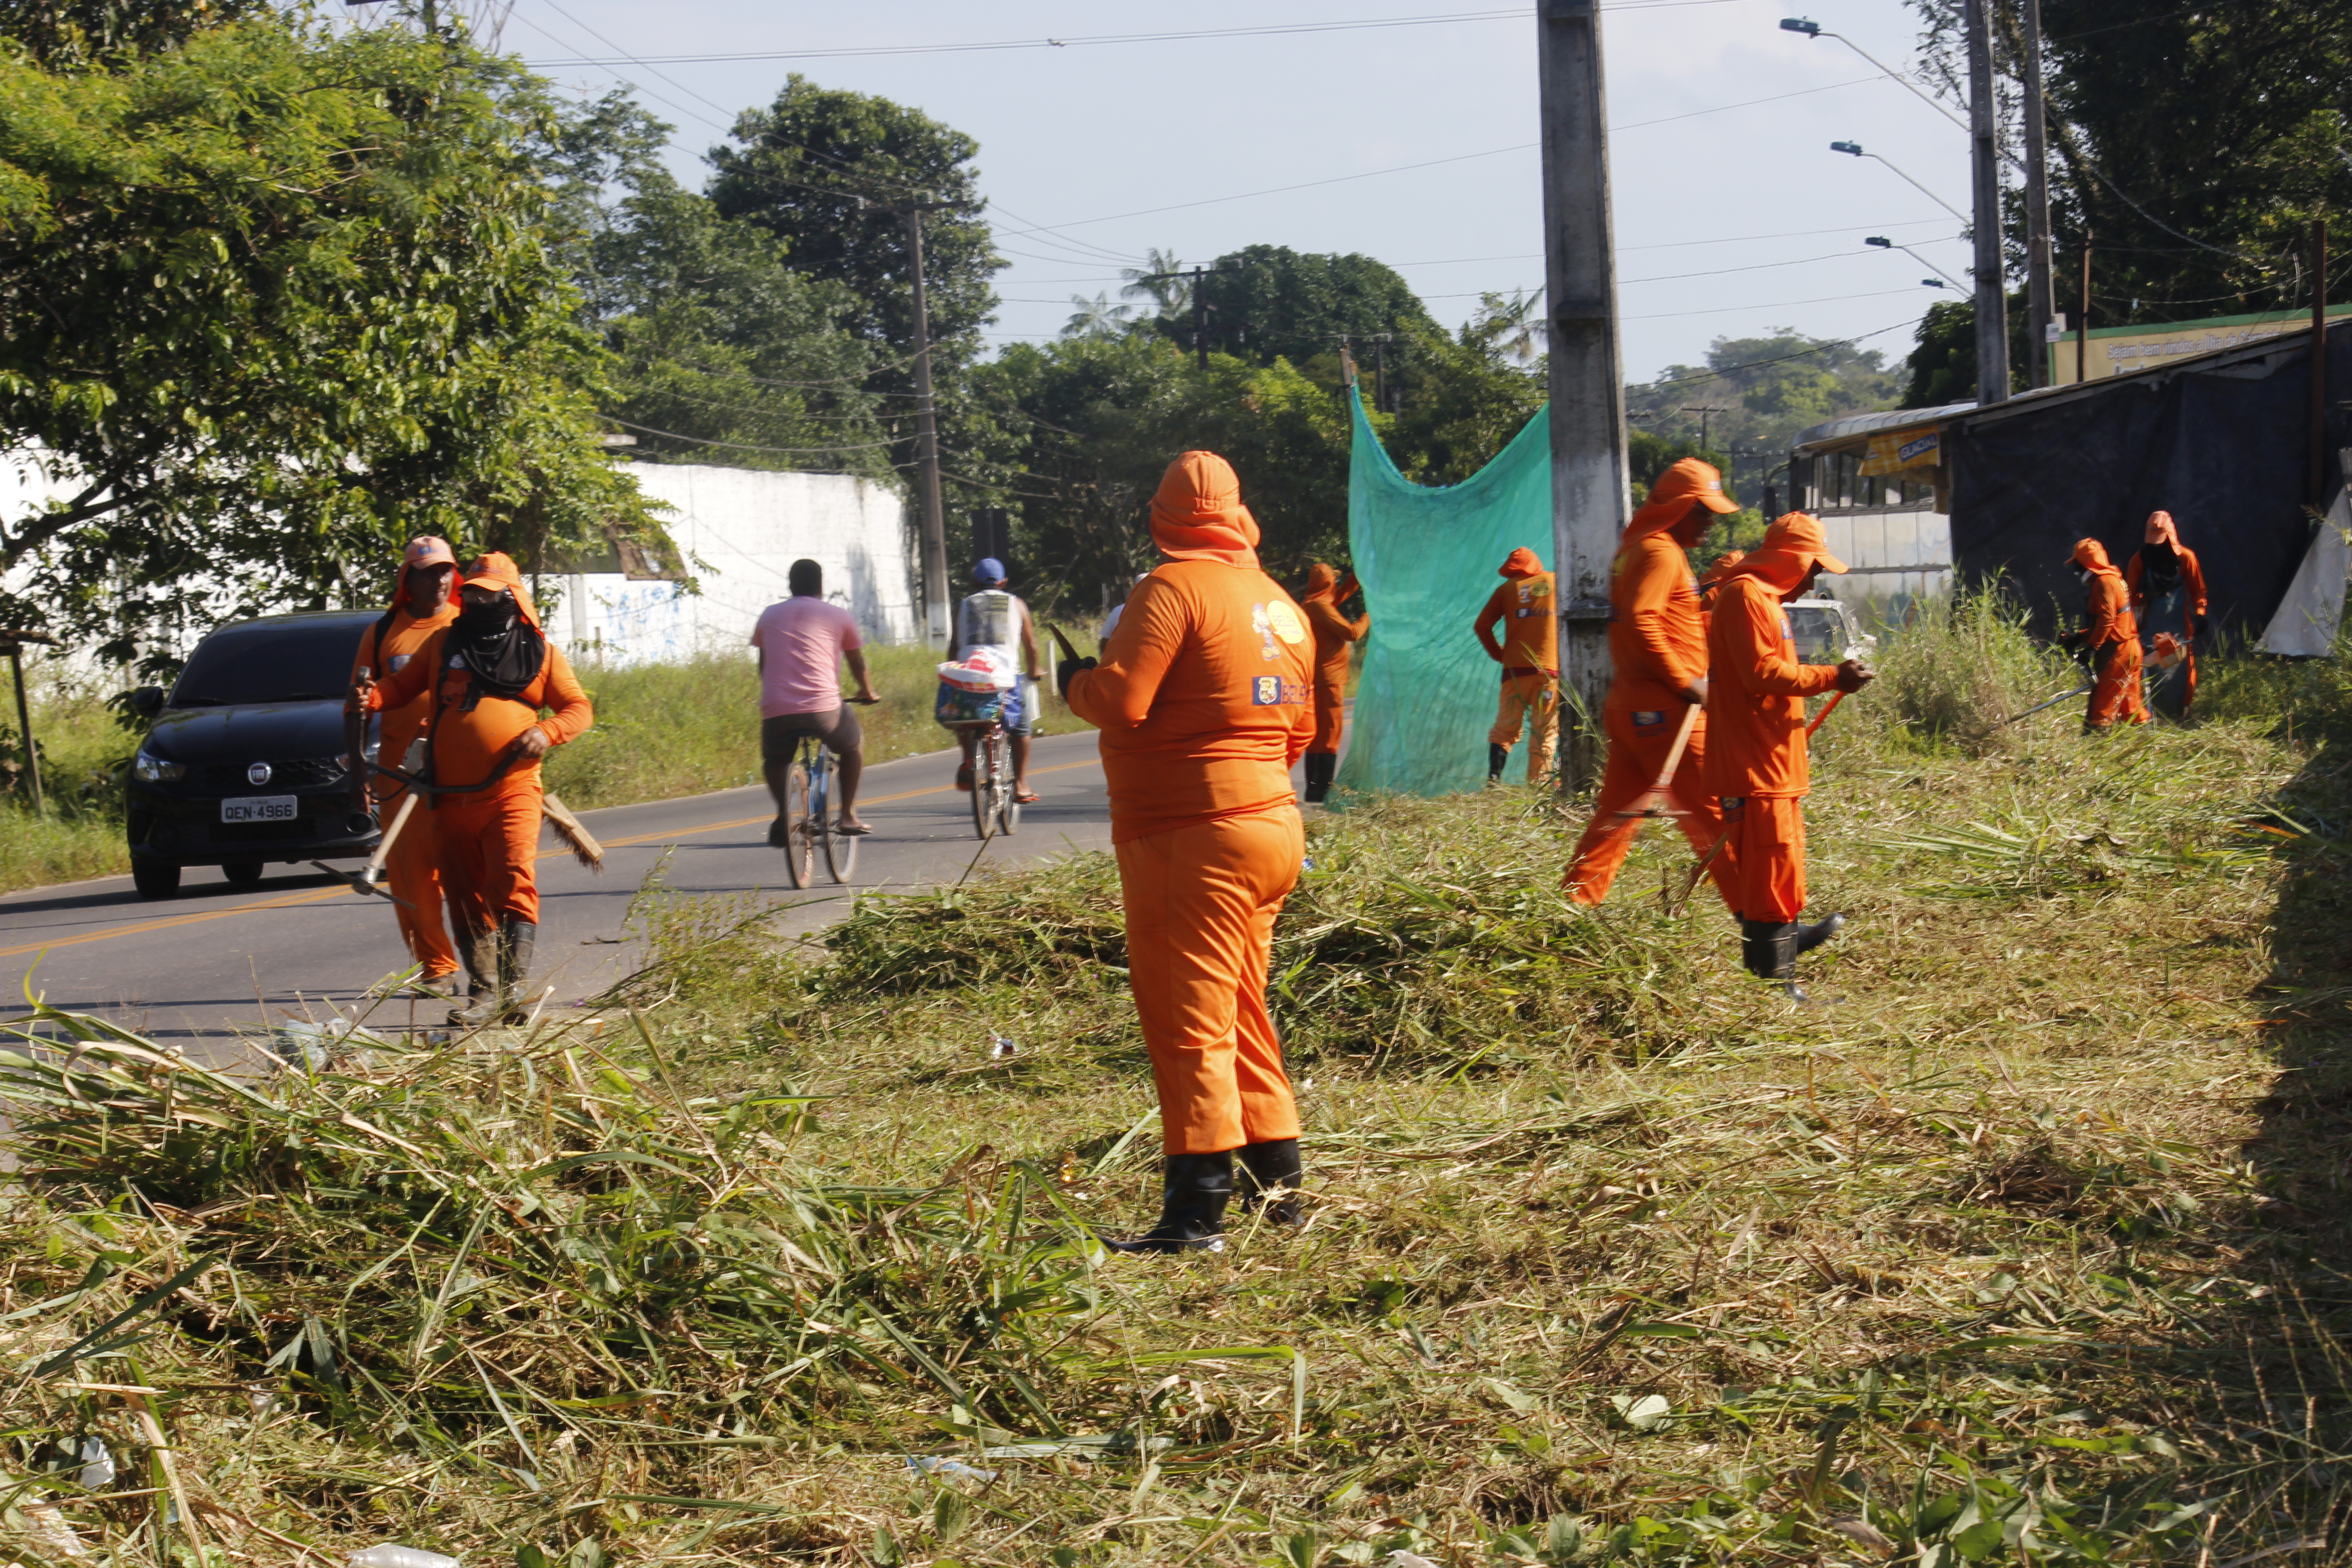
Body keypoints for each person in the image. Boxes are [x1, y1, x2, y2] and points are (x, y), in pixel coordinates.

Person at [1058, 450, 1315, 1254]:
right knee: (1240, 1005)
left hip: (1190, 831)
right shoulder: (1278, 602)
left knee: (1187, 1017)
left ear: (1161, 519)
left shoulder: (1168, 589)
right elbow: (1301, 734)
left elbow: (1125, 699)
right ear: (1236, 515)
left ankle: (1195, 1210)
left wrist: (1076, 681)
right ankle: (1279, 1184)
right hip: (1270, 825)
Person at [354, 553, 593, 1026]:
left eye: (490, 594)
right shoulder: (443, 644)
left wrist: (547, 733)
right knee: (464, 892)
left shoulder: (541, 654)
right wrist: (374, 696)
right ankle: (484, 994)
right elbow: (400, 688)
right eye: (474, 593)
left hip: (511, 789)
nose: (479, 600)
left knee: (511, 879)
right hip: (448, 794)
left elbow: (578, 709)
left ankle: (514, 992)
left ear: (512, 598)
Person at [1703, 513, 1874, 996]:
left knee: (1780, 868)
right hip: (1756, 766)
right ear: (1791, 561)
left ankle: (1780, 979)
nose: (1814, 579)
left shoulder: (1766, 601)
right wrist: (1832, 678)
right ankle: (1776, 989)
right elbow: (1760, 673)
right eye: (1813, 568)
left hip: (1774, 762)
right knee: (1769, 869)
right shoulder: (1745, 597)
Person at [1561, 459, 1743, 910]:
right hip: (1667, 711)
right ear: (1678, 508)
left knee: (1614, 820)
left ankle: (1574, 908)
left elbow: (1660, 621)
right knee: (1719, 819)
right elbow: (1644, 622)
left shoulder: (1639, 549)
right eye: (1702, 512)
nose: (1709, 523)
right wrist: (1688, 683)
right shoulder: (1661, 553)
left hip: (1632, 707)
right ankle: (1769, 924)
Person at [351, 536, 461, 996]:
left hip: (460, 769)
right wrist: (360, 775)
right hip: (399, 775)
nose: (438, 580)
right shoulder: (381, 634)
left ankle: (490, 962)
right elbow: (356, 709)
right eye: (427, 572)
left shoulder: (467, 625)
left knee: (465, 869)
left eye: (444, 570)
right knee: (411, 874)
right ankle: (437, 967)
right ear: (407, 580)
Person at [750, 559, 877, 840]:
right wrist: (867, 691)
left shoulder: (769, 615)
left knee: (775, 759)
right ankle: (847, 815)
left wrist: (779, 695)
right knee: (853, 745)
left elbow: (764, 665)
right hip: (823, 709)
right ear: (821, 586)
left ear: (790, 586)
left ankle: (784, 814)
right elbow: (857, 664)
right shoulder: (838, 615)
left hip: (777, 709)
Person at [952, 558, 1043, 804]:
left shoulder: (962, 606)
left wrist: (956, 671)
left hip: (969, 675)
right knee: (1022, 727)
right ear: (1004, 582)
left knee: (964, 717)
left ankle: (968, 759)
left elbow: (954, 647)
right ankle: (1021, 784)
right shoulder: (1017, 604)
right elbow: (1031, 646)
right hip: (1005, 678)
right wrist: (1035, 670)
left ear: (974, 582)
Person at [1473, 547, 1558, 785]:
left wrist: (1500, 655)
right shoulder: (1556, 582)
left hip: (1514, 673)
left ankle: (1493, 780)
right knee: (1544, 731)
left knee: (1506, 727)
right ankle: (1539, 788)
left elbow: (1482, 626)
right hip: (1548, 673)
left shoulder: (1506, 589)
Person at [2062, 538, 2151, 732]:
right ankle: (2145, 748)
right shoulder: (2115, 579)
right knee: (2131, 708)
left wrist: (2092, 648)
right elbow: (2112, 623)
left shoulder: (2104, 583)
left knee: (2100, 710)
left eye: (2078, 565)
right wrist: (2078, 638)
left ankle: (2093, 752)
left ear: (2087, 564)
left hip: (2117, 653)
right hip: (2132, 649)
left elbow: (2107, 621)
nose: (2076, 571)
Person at [1298, 561, 1367, 803]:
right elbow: (1352, 633)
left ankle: (1315, 791)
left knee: (1321, 735)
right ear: (1328, 584)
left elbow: (1343, 593)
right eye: (1334, 581)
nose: (1337, 585)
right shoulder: (1320, 607)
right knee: (1330, 734)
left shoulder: (1316, 602)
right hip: (1329, 680)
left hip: (1322, 678)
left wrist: (1358, 576)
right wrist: (1369, 617)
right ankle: (1321, 790)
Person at [2125, 510, 2207, 715]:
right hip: (2149, 627)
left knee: (2181, 671)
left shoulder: (2186, 558)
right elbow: (2131, 596)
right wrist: (2134, 624)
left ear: (2170, 535)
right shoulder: (2140, 561)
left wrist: (2200, 613)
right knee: (2149, 670)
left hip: (2178, 625)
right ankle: (2149, 714)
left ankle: (2180, 712)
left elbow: (2198, 590)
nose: (2156, 545)